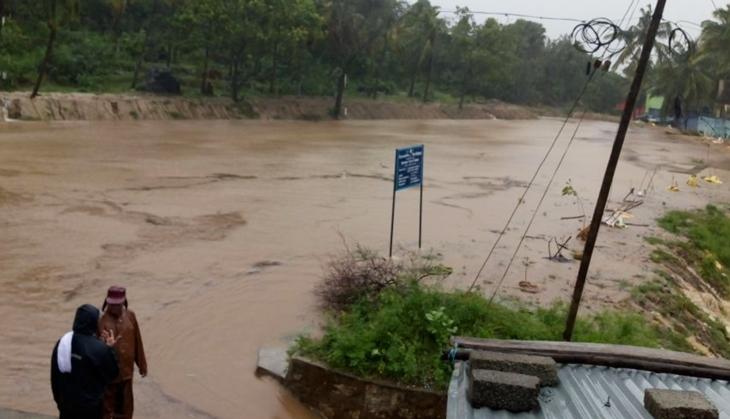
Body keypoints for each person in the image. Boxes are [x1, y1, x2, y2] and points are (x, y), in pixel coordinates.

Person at [51, 304, 120, 419]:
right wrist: (110, 349)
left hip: (66, 407)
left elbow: (54, 376)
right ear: (93, 323)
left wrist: (60, 402)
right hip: (91, 409)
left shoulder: (62, 343)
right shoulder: (99, 349)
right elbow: (113, 373)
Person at [99, 286, 147, 419]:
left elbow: (137, 340)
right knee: (108, 410)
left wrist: (142, 364)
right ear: (107, 302)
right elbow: (94, 349)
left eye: (118, 304)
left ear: (123, 302)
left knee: (127, 409)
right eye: (112, 304)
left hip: (127, 374)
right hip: (108, 378)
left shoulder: (131, 316)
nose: (115, 307)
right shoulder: (100, 321)